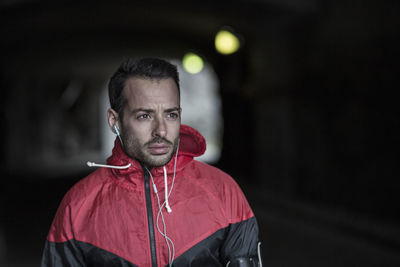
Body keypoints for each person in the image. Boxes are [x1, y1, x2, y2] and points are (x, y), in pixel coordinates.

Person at [41, 58, 262, 267]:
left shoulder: (224, 192)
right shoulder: (78, 205)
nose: (161, 130)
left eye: (170, 115)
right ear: (114, 120)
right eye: (144, 116)